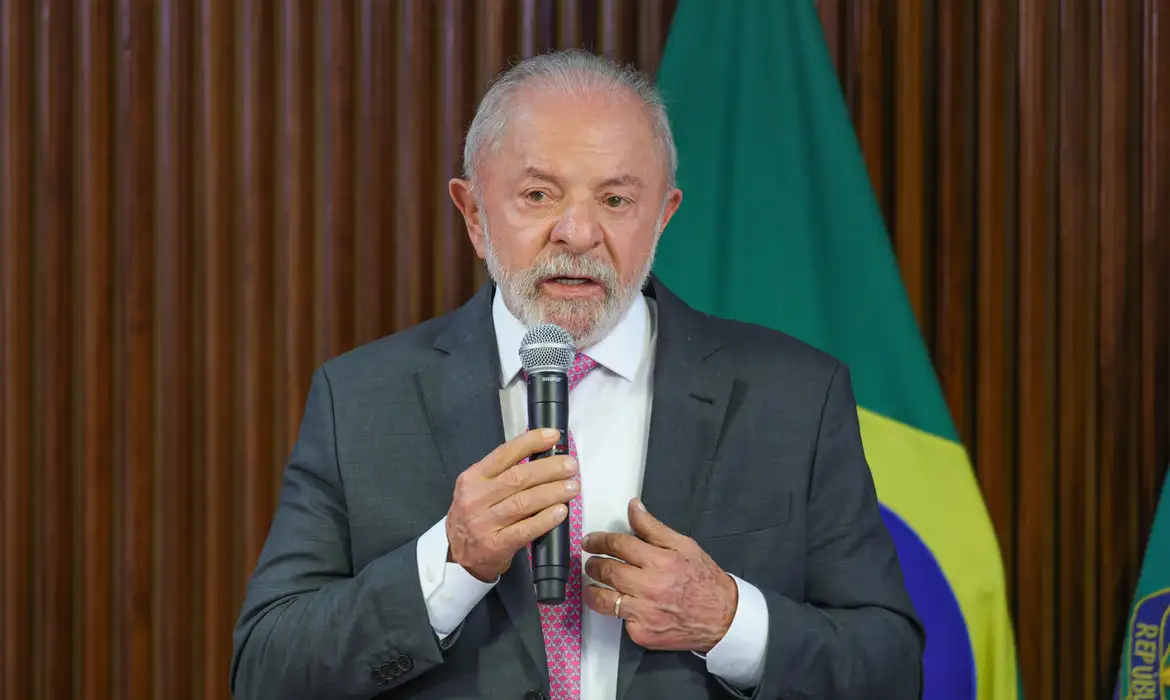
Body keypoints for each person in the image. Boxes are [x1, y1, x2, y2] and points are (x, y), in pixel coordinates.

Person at [230, 49, 924, 700]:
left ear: (663, 216)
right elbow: (266, 669)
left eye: (616, 201)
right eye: (538, 195)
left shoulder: (795, 398)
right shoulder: (359, 399)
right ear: (473, 215)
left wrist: (728, 620)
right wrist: (448, 562)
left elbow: (893, 667)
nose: (579, 233)